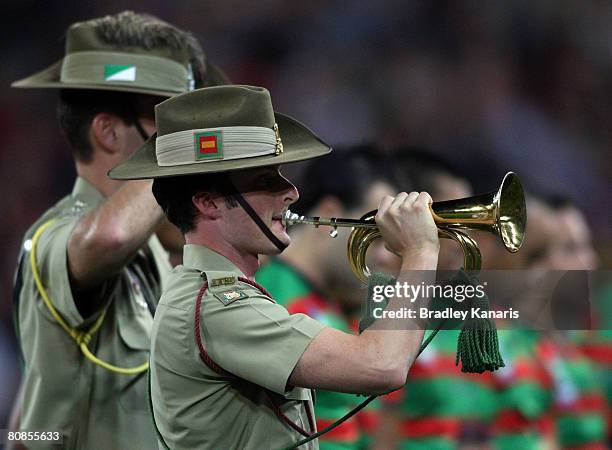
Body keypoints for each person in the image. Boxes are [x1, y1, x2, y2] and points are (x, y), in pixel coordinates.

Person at [109, 84, 440, 449]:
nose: (291, 192)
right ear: (208, 203)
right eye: (266, 180)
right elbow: (382, 366)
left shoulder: (220, 296)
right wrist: (420, 252)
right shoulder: (219, 306)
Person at [11, 11, 227, 449]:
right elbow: (107, 237)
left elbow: (29, 415)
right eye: (165, 125)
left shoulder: (150, 247)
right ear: (108, 131)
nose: (182, 141)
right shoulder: (53, 233)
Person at [255, 145, 396, 449]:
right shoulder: (271, 296)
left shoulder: (325, 302)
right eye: (377, 237)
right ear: (331, 214)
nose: (386, 257)